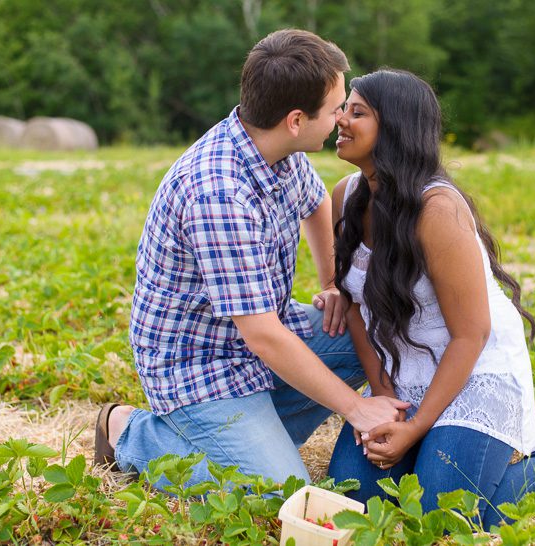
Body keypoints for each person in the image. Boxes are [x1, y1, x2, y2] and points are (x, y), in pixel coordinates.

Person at [93, 30, 409, 488]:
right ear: (296, 120)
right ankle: (131, 431)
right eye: (336, 108)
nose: (342, 118)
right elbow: (263, 336)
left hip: (256, 337)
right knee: (277, 492)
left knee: (368, 336)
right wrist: (356, 408)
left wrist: (331, 283)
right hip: (199, 365)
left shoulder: (274, 146)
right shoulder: (219, 194)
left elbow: (316, 203)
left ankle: (250, 438)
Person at [326, 69, 535, 529]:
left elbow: (472, 334)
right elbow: (353, 307)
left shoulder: (437, 209)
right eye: (344, 109)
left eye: (358, 112)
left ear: (395, 127)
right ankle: (433, 454)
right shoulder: (345, 195)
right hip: (402, 373)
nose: (340, 120)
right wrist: (384, 398)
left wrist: (414, 428)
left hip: (473, 373)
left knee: (442, 517)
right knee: (352, 501)